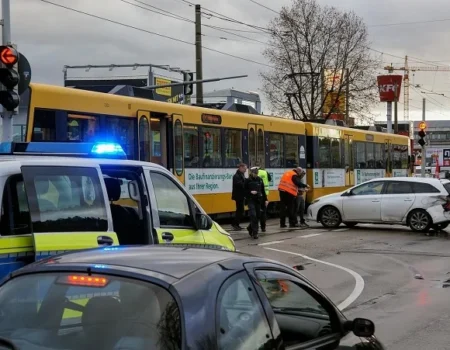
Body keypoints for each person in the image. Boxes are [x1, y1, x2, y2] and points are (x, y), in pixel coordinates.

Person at [245, 167, 268, 239]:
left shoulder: (260, 180)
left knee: (258, 216)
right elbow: (244, 191)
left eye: (256, 173)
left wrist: (266, 199)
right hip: (250, 200)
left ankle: (250, 227)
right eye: (254, 173)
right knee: (253, 215)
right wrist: (250, 192)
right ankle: (255, 233)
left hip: (258, 200)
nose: (255, 174)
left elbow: (263, 191)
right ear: (251, 173)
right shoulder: (247, 180)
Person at [256, 165, 272, 232]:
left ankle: (255, 227)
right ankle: (263, 227)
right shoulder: (265, 172)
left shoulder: (254, 174)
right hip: (265, 194)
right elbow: (270, 179)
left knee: (257, 211)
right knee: (263, 212)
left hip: (257, 195)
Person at [231, 163, 247, 230]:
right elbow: (240, 184)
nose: (245, 170)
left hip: (241, 195)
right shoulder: (236, 176)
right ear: (240, 167)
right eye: (244, 169)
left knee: (240, 210)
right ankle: (235, 224)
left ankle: (236, 224)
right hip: (238, 196)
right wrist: (246, 183)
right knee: (240, 210)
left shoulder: (241, 175)